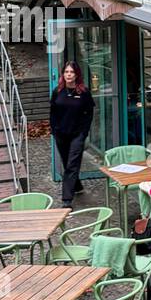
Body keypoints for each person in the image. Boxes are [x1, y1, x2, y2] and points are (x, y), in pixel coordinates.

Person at [50, 61, 94, 207]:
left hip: (77, 135)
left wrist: (83, 132)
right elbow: (53, 112)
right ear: (63, 74)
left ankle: (67, 200)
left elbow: (89, 113)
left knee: (72, 165)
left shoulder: (84, 92)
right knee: (67, 162)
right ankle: (77, 186)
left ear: (77, 75)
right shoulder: (57, 91)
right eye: (66, 72)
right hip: (61, 134)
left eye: (72, 72)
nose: (69, 74)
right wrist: (54, 130)